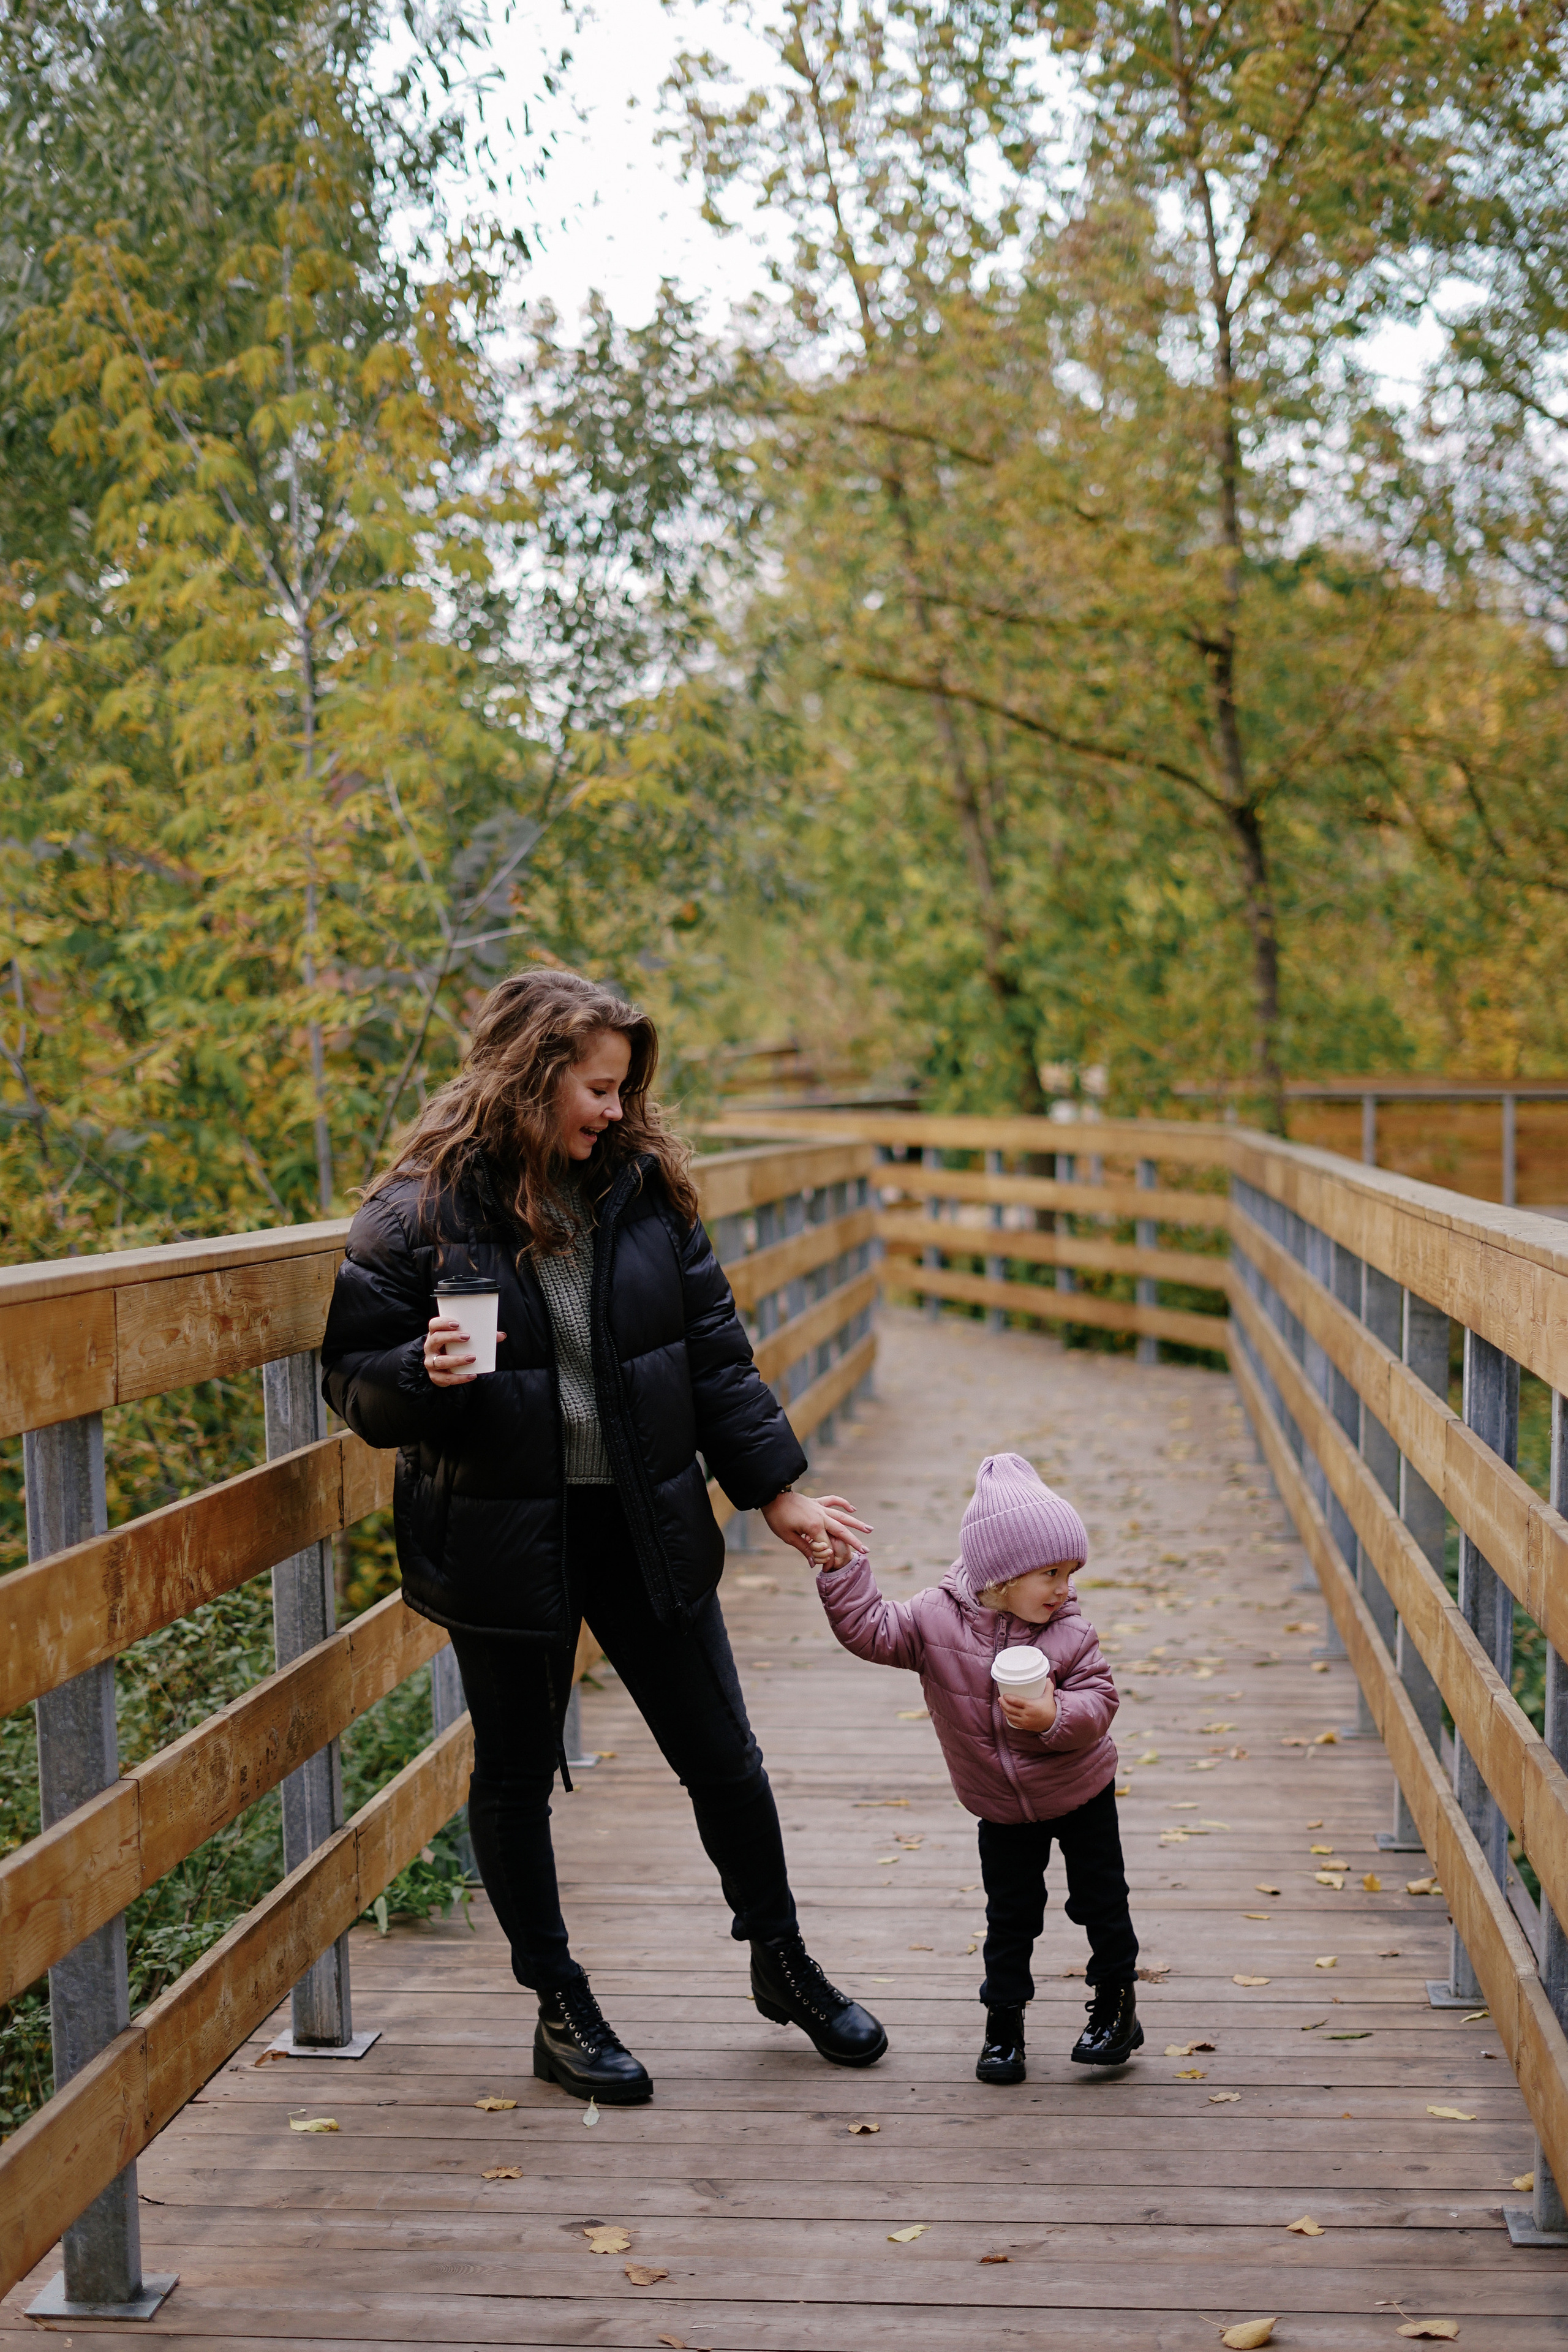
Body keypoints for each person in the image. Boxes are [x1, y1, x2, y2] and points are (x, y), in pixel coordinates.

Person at [320, 966, 886, 2105]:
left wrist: (776, 1491)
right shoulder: (418, 1212)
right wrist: (420, 1374)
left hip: (644, 1516)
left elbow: (713, 1355)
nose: (616, 1109)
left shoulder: (643, 1193)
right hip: (500, 1533)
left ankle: (781, 1959)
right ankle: (559, 2004)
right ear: (531, 1079)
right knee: (515, 1777)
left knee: (723, 1755)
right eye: (597, 1087)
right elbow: (353, 1381)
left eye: (624, 1087)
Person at [811, 1450, 1141, 2084]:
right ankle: (1004, 2026)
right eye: (1050, 1573)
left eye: (1070, 1572)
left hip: (1080, 1791)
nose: (1064, 1588)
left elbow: (1100, 1702)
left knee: (1101, 1902)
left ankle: (1116, 2007)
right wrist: (844, 1567)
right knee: (1010, 1917)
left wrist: (1053, 1715)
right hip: (999, 1804)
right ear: (1001, 1575)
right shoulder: (933, 1621)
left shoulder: (1070, 1632)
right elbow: (870, 1631)